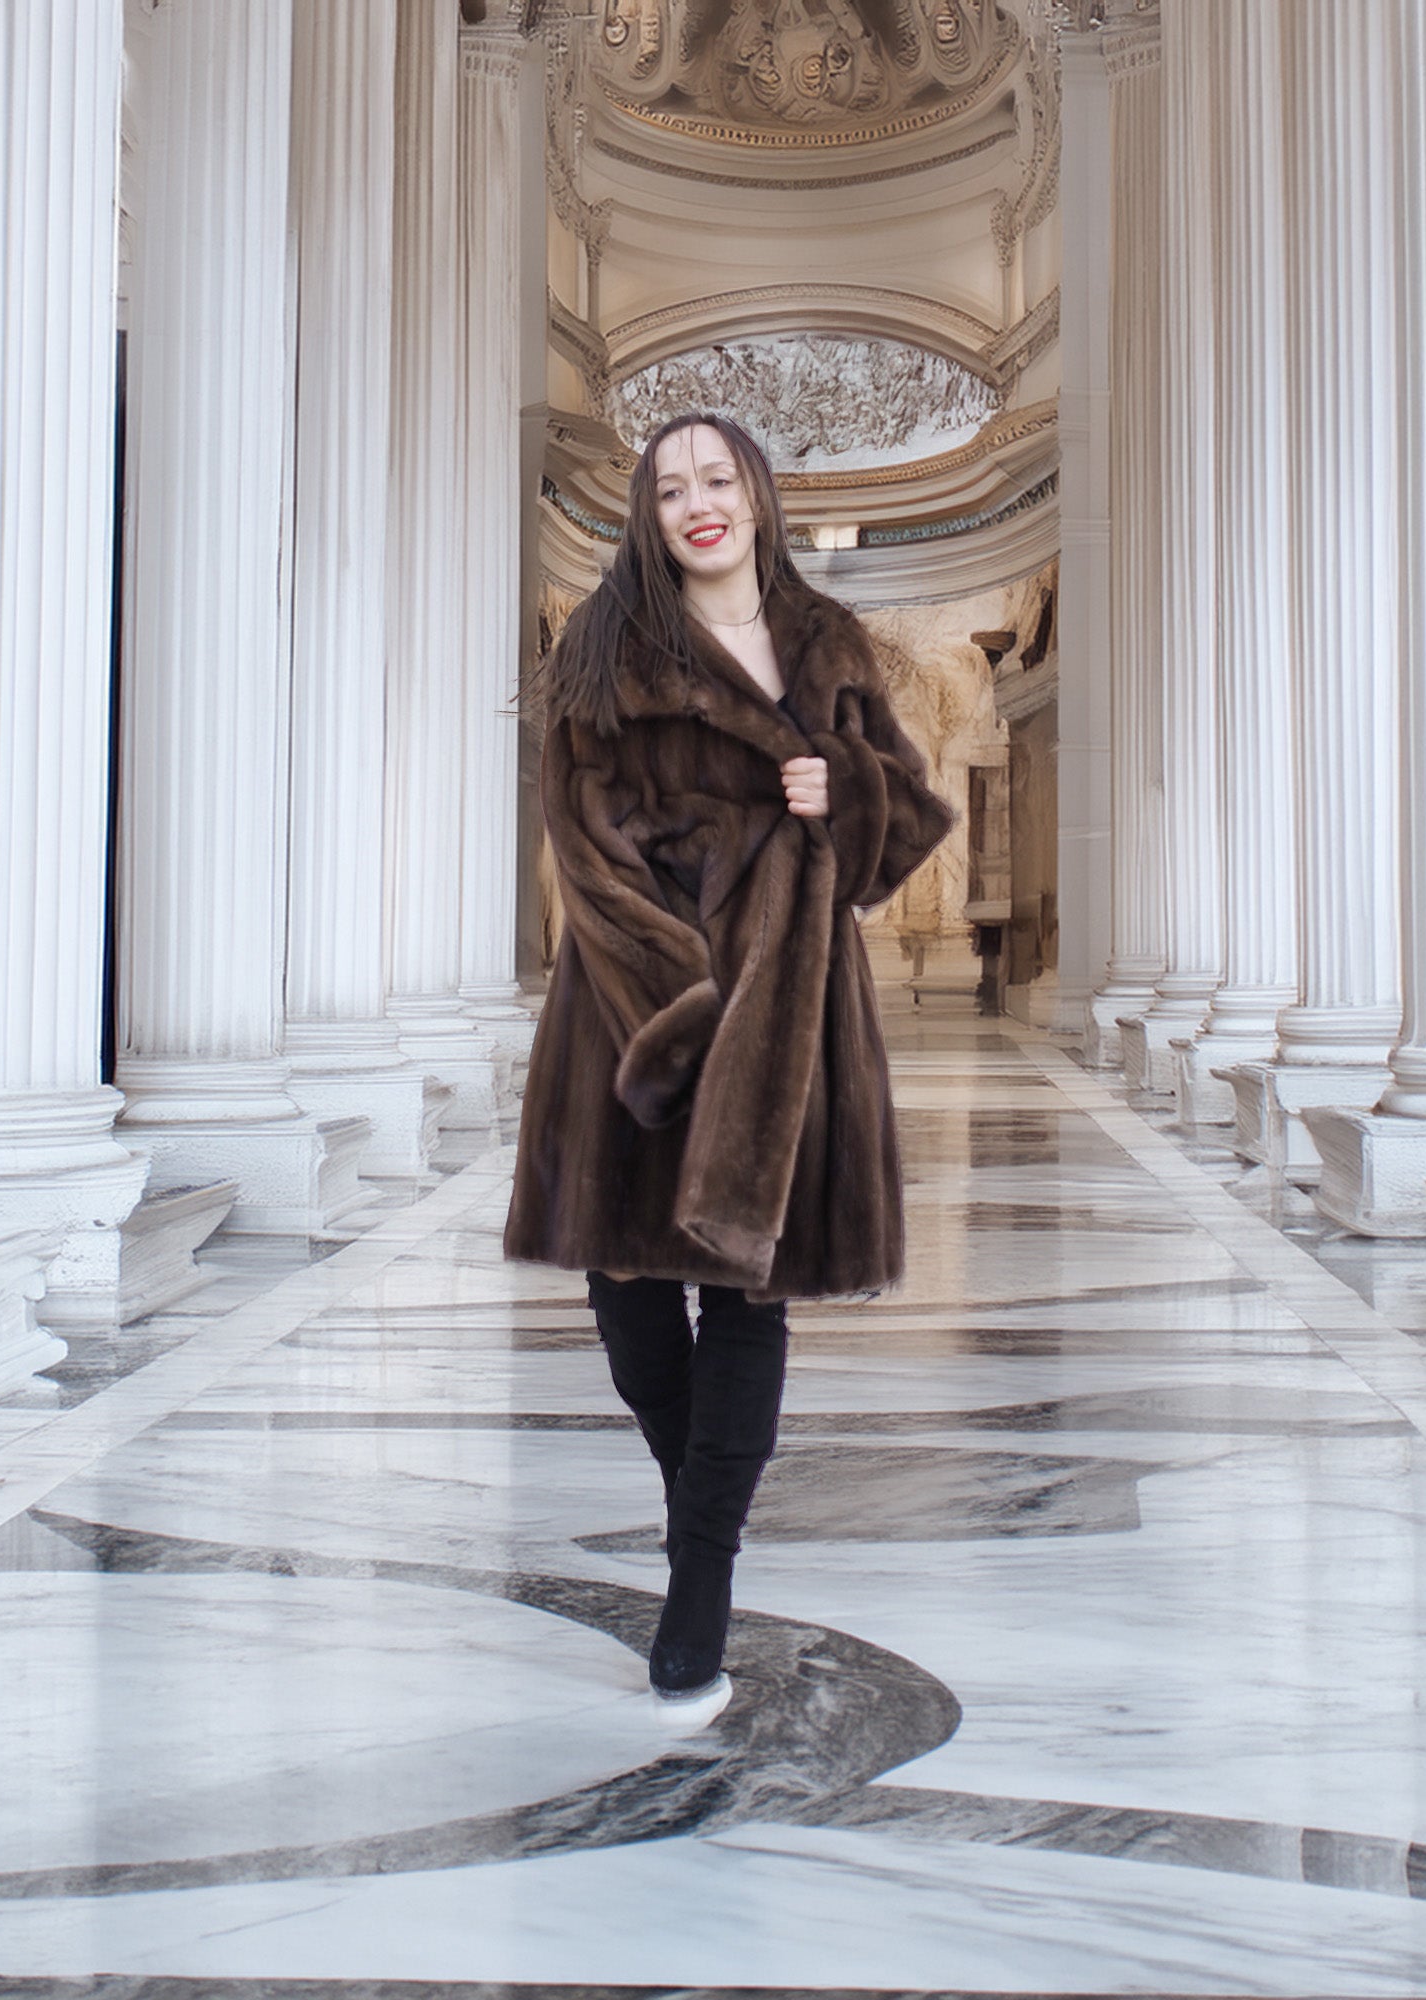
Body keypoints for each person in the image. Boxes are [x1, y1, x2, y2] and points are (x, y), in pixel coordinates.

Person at [504, 411, 953, 1726]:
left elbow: (904, 823)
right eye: (670, 488)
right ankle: (692, 1496)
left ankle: (700, 1572)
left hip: (794, 1012)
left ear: (757, 495)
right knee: (631, 1302)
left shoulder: (829, 645)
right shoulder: (605, 649)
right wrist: (683, 1012)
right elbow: (586, 852)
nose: (698, 503)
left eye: (717, 479)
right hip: (639, 1011)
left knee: (750, 1301)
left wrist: (846, 790)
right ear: (647, 517)